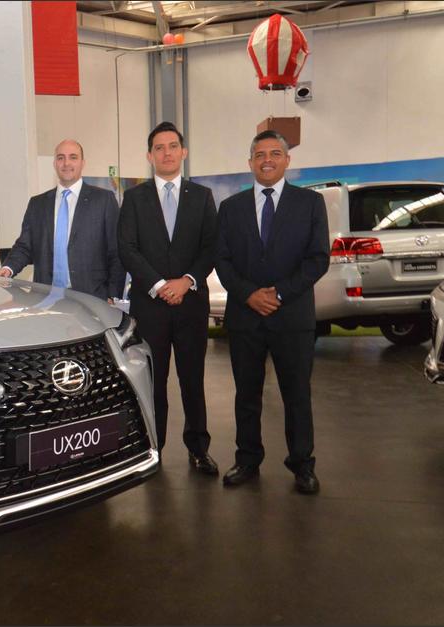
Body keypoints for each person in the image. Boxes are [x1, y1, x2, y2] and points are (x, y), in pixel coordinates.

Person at [215, 130, 330, 494]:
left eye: (275, 153)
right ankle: (247, 459)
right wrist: (250, 295)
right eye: (260, 154)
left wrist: (278, 293)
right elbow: (222, 259)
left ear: (287, 160)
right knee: (246, 395)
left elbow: (318, 259)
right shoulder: (230, 208)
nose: (267, 159)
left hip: (292, 317)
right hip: (245, 317)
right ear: (250, 162)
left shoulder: (310, 204)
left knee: (296, 393)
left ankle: (302, 464)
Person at [117, 122, 219, 474]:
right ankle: (153, 450)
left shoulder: (202, 196)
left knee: (193, 380)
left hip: (191, 304)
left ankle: (198, 449)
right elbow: (127, 249)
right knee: (153, 381)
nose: (166, 152)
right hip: (151, 307)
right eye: (159, 147)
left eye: (173, 146)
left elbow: (211, 247)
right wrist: (160, 284)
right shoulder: (134, 198)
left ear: (183, 152)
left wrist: (186, 281)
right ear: (149, 156)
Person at [0, 139, 125, 302]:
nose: (66, 163)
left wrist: (112, 294)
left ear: (82, 162)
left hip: (92, 297)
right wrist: (8, 268)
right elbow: (24, 246)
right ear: (54, 163)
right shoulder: (38, 204)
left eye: (73, 157)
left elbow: (116, 251)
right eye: (60, 158)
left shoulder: (103, 200)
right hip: (45, 298)